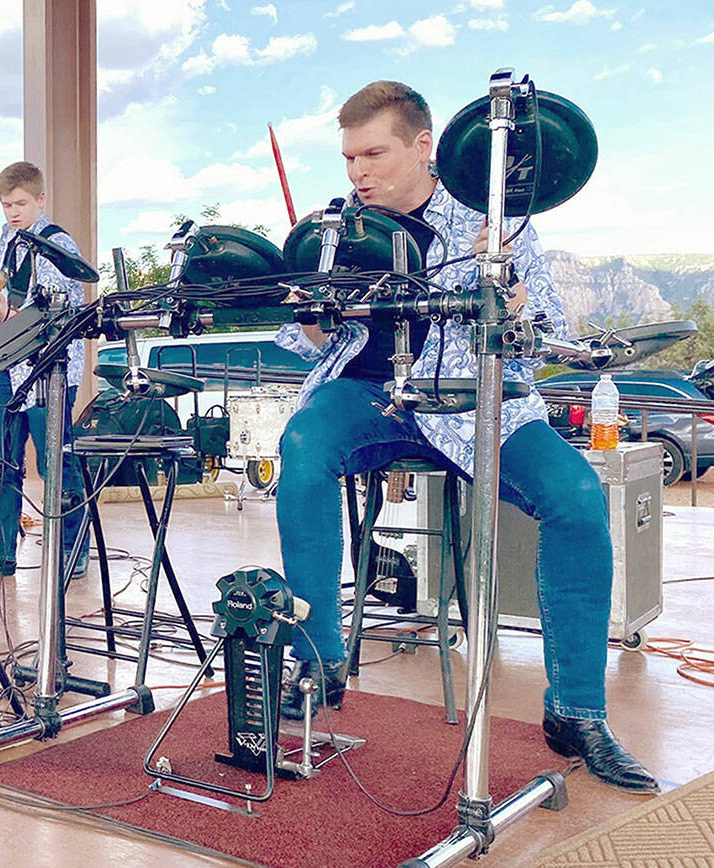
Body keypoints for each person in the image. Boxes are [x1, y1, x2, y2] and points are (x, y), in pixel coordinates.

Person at [273, 82, 657, 792]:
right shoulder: (336, 227)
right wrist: (312, 314)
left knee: (577, 496)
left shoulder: (499, 218)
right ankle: (317, 654)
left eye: (373, 153)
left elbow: (543, 333)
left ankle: (577, 711)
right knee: (301, 445)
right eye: (349, 156)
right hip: (369, 396)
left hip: (480, 402)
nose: (357, 172)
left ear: (423, 147)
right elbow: (304, 343)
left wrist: (508, 292)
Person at [0, 161, 89, 582]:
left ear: (41, 199)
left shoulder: (58, 244)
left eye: (20, 203)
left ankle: (74, 548)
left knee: (57, 461)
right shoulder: (8, 239)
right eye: (5, 205)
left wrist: (11, 314)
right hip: (10, 363)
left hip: (48, 368)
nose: (12, 213)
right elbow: (9, 295)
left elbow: (57, 312)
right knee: (1, 458)